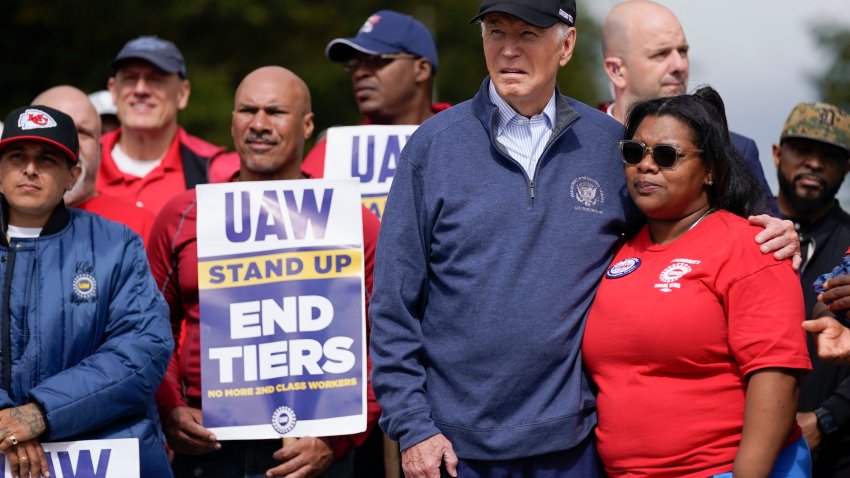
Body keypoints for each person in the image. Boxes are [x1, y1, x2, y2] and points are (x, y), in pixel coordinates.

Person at [368, 1, 800, 477]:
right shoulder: (432, 147)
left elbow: (687, 224)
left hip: (576, 447)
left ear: (567, 45)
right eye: (496, 32)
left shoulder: (614, 147)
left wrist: (767, 229)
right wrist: (414, 426)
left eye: (528, 33)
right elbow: (393, 307)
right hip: (453, 449)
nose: (509, 49)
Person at [147, 66, 381, 478]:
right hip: (208, 450)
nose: (258, 124)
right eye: (246, 110)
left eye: (275, 111)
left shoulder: (354, 222)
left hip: (316, 450)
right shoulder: (182, 216)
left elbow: (389, 338)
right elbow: (148, 328)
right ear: (232, 120)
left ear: (307, 125)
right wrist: (170, 409)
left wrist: (339, 439)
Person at [583, 86, 812, 477]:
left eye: (667, 155)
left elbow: (776, 375)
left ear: (710, 171)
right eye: (635, 152)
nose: (647, 166)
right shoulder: (619, 252)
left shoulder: (751, 246)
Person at [0, 105, 173, 477]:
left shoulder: (116, 244)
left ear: (72, 175)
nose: (30, 169)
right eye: (17, 157)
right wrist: (5, 420)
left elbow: (143, 348)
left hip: (102, 453)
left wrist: (41, 413)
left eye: (46, 160)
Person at [599, 0, 777, 213]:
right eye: (660, 54)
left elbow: (767, 238)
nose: (680, 65)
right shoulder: (576, 143)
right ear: (616, 70)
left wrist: (780, 234)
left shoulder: (732, 149)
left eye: (682, 51)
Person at [772, 101, 850, 477]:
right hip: (737, 445)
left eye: (830, 156)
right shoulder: (738, 231)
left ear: (847, 168)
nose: (815, 163)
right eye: (803, 149)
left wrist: (827, 418)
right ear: (776, 153)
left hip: (837, 455)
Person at [97, 35, 238, 215]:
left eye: (155, 79)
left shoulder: (215, 171)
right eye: (129, 78)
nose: (140, 90)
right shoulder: (80, 162)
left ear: (182, 94)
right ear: (113, 90)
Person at [301, 9, 450, 178]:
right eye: (353, 64)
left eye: (375, 60)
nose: (359, 73)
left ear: (421, 69)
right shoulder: (335, 150)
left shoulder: (469, 135)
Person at [32, 85, 155, 240]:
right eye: (54, 129)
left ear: (100, 149)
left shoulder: (139, 226)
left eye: (83, 133)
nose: (71, 143)